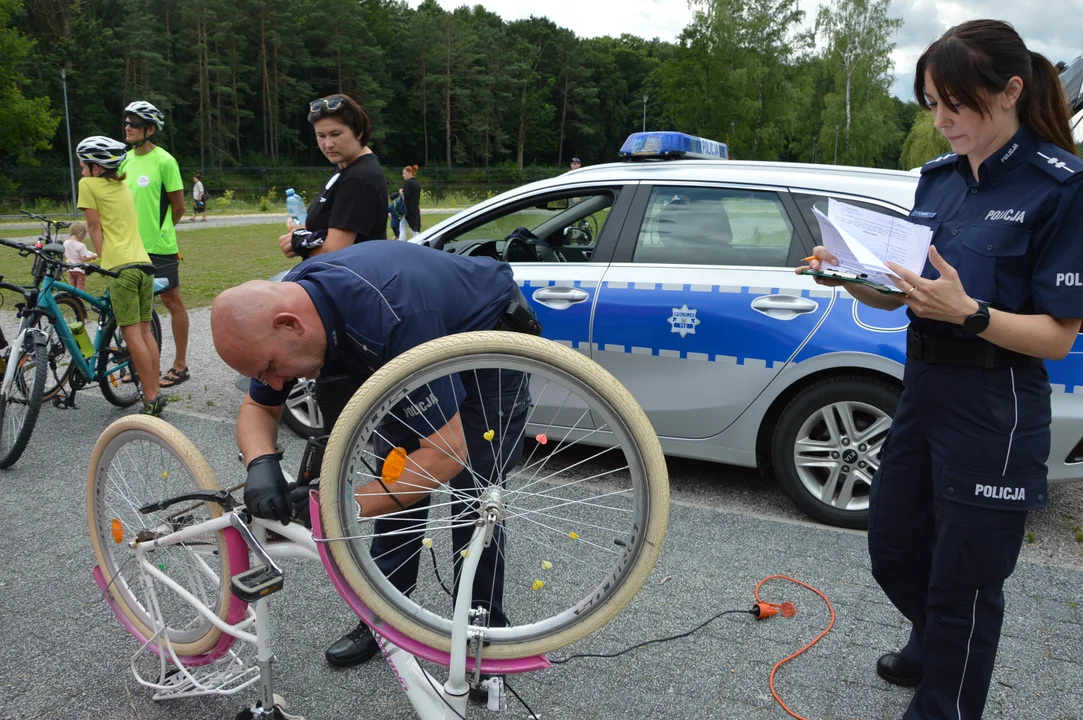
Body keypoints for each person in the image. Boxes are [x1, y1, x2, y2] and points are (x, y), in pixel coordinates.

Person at [796, 19, 1082, 720]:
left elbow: (1056, 335)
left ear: (1010, 90)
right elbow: (907, 294)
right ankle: (931, 641)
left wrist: (971, 314)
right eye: (930, 102)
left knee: (966, 581)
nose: (941, 119)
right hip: (922, 387)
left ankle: (941, 701)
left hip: (997, 402)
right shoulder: (937, 183)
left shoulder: (1061, 186)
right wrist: (849, 278)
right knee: (892, 546)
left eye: (955, 101)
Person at [209, 240, 541, 677]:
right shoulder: (293, 307)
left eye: (271, 367)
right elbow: (259, 408)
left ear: (289, 325)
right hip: (404, 344)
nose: (275, 381)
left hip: (481, 347)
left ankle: (480, 630)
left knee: (476, 497)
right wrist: (260, 464)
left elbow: (447, 456)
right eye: (263, 374)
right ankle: (385, 620)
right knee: (396, 471)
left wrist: (339, 505)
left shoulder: (390, 318)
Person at [75, 136, 166, 416]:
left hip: (121, 269)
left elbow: (93, 226)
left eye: (83, 166)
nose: (81, 171)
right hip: (144, 265)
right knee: (144, 332)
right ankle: (156, 392)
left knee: (132, 335)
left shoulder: (87, 185)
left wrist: (104, 261)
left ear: (96, 169)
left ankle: (150, 398)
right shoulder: (123, 185)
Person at [120, 100, 191, 390]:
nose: (128, 127)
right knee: (134, 306)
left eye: (134, 123)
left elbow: (179, 206)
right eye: (126, 121)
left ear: (150, 129)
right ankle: (141, 364)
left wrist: (161, 232)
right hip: (130, 246)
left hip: (159, 246)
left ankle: (180, 364)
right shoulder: (124, 159)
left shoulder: (165, 160)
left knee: (171, 301)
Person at [280, 94, 387, 260]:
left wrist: (298, 240)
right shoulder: (345, 169)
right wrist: (301, 234)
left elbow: (334, 252)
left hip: (349, 279)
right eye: (321, 136)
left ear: (358, 132)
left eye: (336, 134)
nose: (328, 144)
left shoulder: (359, 177)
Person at [63, 221, 97, 291]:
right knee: (80, 289)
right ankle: (79, 301)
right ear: (81, 234)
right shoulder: (81, 245)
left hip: (70, 269)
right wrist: (92, 256)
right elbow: (83, 259)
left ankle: (73, 300)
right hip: (79, 270)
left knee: (73, 288)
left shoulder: (66, 243)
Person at [397, 165, 421, 241]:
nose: (403, 175)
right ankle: (420, 243)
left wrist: (401, 192)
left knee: (402, 227)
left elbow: (406, 195)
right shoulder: (417, 184)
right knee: (413, 229)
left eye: (404, 173)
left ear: (409, 173)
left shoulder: (408, 183)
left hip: (407, 209)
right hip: (415, 209)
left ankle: (401, 244)